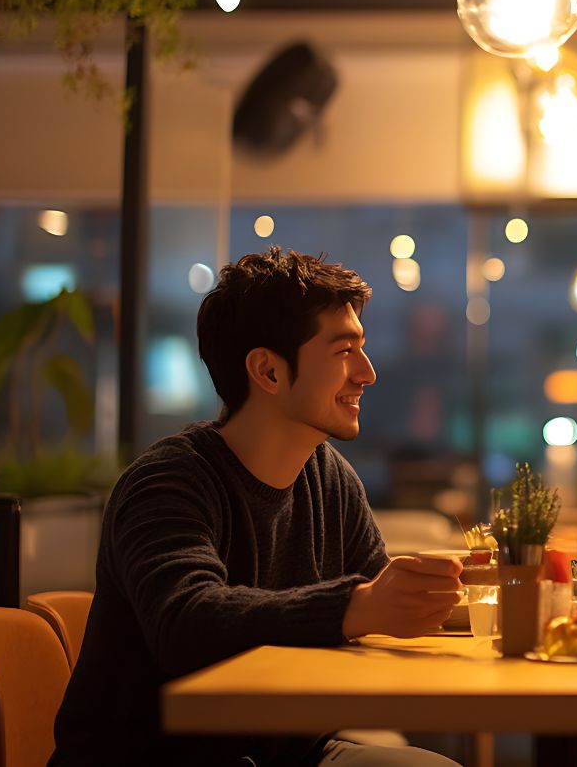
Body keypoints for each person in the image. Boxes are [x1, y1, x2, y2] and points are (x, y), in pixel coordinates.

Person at [51, 248, 461, 767]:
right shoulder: (168, 481)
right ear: (267, 370)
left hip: (287, 751)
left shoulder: (327, 476)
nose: (368, 373)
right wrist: (355, 606)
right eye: (343, 351)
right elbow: (186, 621)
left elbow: (381, 601)